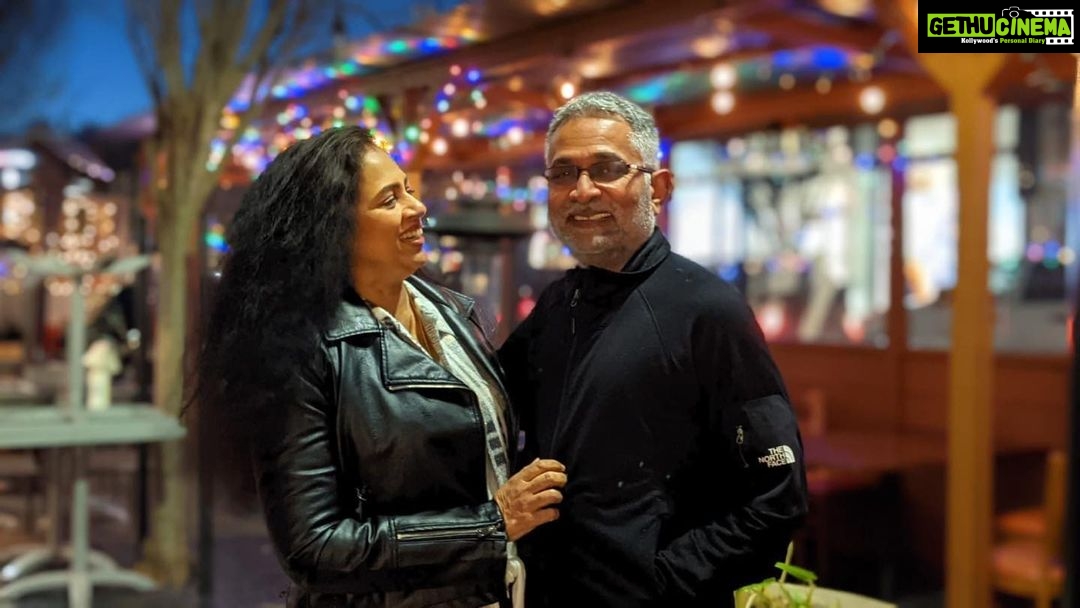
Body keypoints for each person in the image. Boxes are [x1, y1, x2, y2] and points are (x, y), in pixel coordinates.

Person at [193, 126, 566, 608]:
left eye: (408, 189)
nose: (418, 207)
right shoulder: (305, 351)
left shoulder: (453, 314)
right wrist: (492, 525)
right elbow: (314, 549)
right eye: (390, 200)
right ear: (333, 229)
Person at [498, 91, 808, 608]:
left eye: (607, 169)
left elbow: (778, 495)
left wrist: (665, 581)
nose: (582, 190)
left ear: (658, 188)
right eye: (563, 173)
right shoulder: (559, 304)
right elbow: (485, 409)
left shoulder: (706, 309)